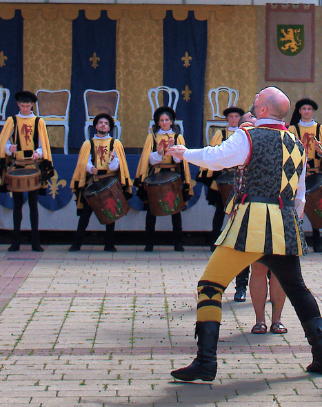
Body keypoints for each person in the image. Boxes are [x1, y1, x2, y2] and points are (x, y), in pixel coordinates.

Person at [167, 86, 322, 383]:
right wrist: (292, 219)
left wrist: (184, 152)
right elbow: (299, 193)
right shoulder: (296, 143)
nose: (253, 103)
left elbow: (218, 158)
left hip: (252, 221)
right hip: (283, 223)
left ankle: (206, 362)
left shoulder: (248, 136)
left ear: (264, 110)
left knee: (210, 285)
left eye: (256, 101)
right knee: (297, 288)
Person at [0, 90, 53, 252]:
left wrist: (38, 153)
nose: (25, 108)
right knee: (17, 205)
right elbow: (3, 143)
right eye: (23, 105)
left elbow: (43, 144)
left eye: (28, 106)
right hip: (17, 165)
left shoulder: (38, 121)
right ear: (18, 105)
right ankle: (16, 241)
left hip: (32, 166)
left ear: (32, 105)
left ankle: (35, 241)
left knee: (33, 205)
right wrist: (9, 148)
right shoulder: (12, 120)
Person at [201, 106, 250, 298]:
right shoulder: (221, 134)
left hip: (241, 181)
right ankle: (216, 241)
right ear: (227, 119)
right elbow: (214, 153)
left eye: (237, 116)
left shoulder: (246, 134)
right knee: (220, 211)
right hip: (223, 180)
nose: (234, 119)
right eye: (231, 116)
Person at [69, 113, 128, 252]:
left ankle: (109, 244)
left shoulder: (115, 143)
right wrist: (91, 169)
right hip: (93, 182)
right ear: (95, 126)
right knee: (85, 214)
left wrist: (113, 161)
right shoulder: (88, 143)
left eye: (106, 123)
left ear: (109, 128)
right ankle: (76, 244)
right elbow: (84, 162)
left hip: (109, 182)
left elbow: (119, 165)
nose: (103, 125)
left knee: (110, 213)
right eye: (101, 123)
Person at [136, 106, 190, 253]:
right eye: (162, 120)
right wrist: (158, 153)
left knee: (175, 208)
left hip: (173, 174)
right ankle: (149, 243)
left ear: (172, 121)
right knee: (152, 209)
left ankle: (178, 243)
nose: (165, 122)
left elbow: (180, 161)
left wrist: (173, 149)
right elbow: (149, 160)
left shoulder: (178, 137)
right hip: (157, 174)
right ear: (158, 123)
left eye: (167, 120)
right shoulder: (152, 137)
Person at [290, 99, 322, 254]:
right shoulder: (293, 129)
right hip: (298, 172)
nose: (307, 111)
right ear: (299, 111)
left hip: (315, 172)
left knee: (316, 205)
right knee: (296, 206)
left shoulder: (320, 128)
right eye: (304, 109)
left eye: (309, 109)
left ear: (313, 111)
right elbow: (290, 151)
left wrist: (319, 151)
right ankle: (296, 240)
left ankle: (317, 240)